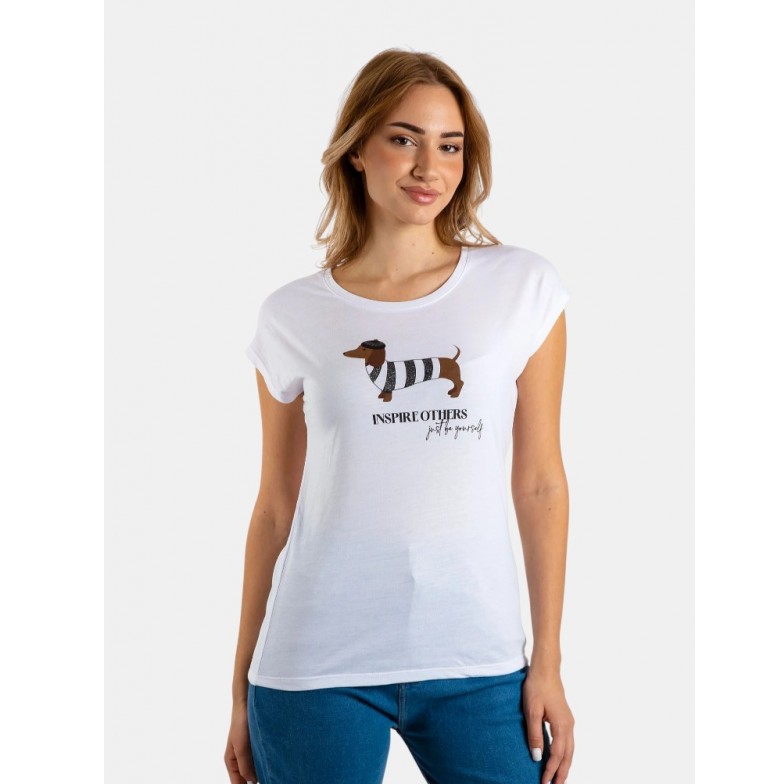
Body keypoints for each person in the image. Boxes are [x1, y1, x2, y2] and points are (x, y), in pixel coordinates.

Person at [224, 48, 576, 784]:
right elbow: (275, 507)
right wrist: (237, 690)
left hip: (479, 661)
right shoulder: (294, 315)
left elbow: (541, 482)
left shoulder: (521, 288)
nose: (428, 167)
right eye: (403, 138)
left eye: (450, 146)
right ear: (357, 149)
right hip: (314, 668)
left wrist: (547, 661)